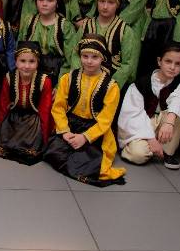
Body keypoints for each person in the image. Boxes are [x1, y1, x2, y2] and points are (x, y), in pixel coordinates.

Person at [44, 35, 127, 186]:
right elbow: (58, 107)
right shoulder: (68, 78)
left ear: (103, 58)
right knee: (54, 153)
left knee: (90, 162)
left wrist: (84, 137)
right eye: (85, 56)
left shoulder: (111, 86)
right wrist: (65, 131)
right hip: (71, 125)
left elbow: (105, 120)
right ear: (80, 57)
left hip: (95, 131)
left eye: (95, 57)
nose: (89, 61)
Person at [116, 41, 180, 170]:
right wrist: (150, 139)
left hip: (167, 124)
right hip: (144, 123)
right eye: (168, 61)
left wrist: (169, 122)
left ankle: (167, 152)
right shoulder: (141, 84)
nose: (172, 67)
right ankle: (147, 145)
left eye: (177, 64)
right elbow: (132, 114)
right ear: (159, 61)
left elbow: (178, 100)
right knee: (138, 155)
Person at [0, 41, 53, 165]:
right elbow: (2, 106)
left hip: (34, 120)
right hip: (14, 117)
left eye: (32, 61)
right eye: (22, 61)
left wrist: (45, 139)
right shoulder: (9, 78)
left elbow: (45, 112)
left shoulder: (45, 81)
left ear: (38, 62)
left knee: (31, 147)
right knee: (1, 143)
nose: (27, 66)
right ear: (16, 62)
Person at [78, 0, 140, 87]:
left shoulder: (125, 30)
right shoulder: (85, 26)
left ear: (118, 5)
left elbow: (128, 64)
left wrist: (110, 86)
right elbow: (75, 53)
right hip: (84, 79)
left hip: (111, 82)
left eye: (111, 2)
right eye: (102, 1)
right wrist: (80, 76)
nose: (105, 6)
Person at [18, 0, 79, 80]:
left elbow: (71, 59)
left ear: (57, 3)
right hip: (31, 72)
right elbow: (20, 51)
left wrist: (61, 82)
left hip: (57, 73)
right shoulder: (29, 22)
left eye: (50, 0)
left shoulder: (65, 26)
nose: (44, 4)